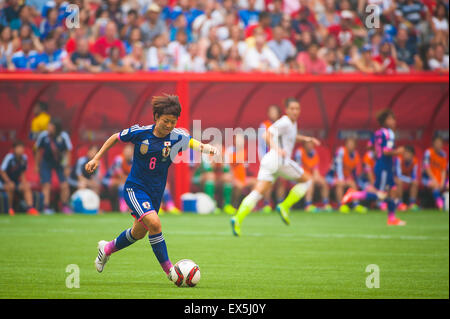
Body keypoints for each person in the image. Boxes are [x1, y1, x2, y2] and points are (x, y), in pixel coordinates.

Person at [86, 94, 218, 281]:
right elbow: (116, 137)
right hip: (135, 189)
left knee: (138, 233)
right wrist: (96, 158)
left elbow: (190, 142)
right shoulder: (141, 132)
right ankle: (171, 272)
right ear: (156, 117)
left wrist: (206, 148)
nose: (169, 125)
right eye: (165, 121)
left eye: (173, 122)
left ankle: (106, 248)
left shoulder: (176, 136)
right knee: (155, 224)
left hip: (155, 193)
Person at [230, 97, 320, 236]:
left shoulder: (291, 123)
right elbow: (267, 134)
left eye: (297, 108)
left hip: (270, 161)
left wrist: (306, 139)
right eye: (292, 109)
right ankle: (284, 206)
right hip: (279, 160)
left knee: (258, 192)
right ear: (286, 110)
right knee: (308, 180)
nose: (295, 111)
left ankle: (237, 219)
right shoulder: (284, 121)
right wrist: (277, 148)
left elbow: (292, 136)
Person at [341, 109, 407, 226]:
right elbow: (386, 151)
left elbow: (369, 146)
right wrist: (398, 151)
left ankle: (392, 219)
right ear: (385, 121)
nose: (394, 121)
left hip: (383, 165)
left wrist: (378, 153)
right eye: (391, 119)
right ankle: (354, 195)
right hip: (384, 167)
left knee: (393, 191)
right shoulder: (389, 133)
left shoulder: (377, 133)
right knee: (381, 194)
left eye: (394, 119)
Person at [35, 117, 72, 214]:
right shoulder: (43, 136)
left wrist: (67, 166)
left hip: (59, 163)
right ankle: (46, 207)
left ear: (56, 127)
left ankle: (64, 206)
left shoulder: (64, 136)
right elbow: (38, 151)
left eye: (50, 126)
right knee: (46, 185)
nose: (48, 127)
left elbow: (68, 152)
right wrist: (37, 165)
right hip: (46, 162)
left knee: (64, 185)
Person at [327, 137, 366, 214]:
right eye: (349, 143)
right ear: (345, 144)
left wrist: (352, 179)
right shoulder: (341, 151)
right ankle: (341, 205)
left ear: (355, 145)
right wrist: (341, 179)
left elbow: (355, 171)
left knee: (353, 184)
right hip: (331, 177)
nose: (350, 145)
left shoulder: (355, 154)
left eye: (352, 144)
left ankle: (356, 205)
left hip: (345, 178)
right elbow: (338, 166)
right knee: (340, 184)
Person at [0, 140, 39, 216]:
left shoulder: (24, 158)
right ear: (14, 149)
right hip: (4, 182)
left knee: (26, 186)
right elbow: (2, 171)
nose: (20, 150)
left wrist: (24, 182)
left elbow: (22, 172)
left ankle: (30, 208)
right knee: (11, 186)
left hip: (15, 182)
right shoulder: (9, 157)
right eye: (18, 148)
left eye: (22, 148)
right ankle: (9, 208)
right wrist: (8, 181)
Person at [295, 140, 331, 212]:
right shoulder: (299, 152)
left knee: (323, 182)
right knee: (310, 182)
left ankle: (325, 204)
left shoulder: (314, 153)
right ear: (304, 144)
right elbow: (298, 169)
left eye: (311, 144)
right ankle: (308, 205)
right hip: (299, 175)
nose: (310, 146)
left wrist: (317, 177)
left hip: (310, 175)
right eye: (308, 144)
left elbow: (316, 169)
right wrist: (311, 178)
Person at [101, 143, 134, 213]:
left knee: (125, 186)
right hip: (108, 179)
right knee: (122, 187)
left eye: (130, 151)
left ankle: (130, 207)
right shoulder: (119, 160)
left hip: (124, 181)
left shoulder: (133, 161)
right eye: (127, 151)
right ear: (124, 151)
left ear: (132, 152)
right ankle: (123, 207)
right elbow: (120, 175)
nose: (128, 153)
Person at [422, 136, 448, 210]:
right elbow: (426, 167)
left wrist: (442, 182)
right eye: (437, 143)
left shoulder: (443, 155)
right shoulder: (428, 152)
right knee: (435, 185)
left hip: (439, 179)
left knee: (447, 185)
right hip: (427, 178)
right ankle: (440, 204)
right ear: (433, 143)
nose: (438, 145)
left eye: (440, 143)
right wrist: (434, 179)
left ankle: (443, 200)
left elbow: (443, 170)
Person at [395, 145, 419, 211]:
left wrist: (411, 180)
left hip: (407, 178)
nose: (406, 155)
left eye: (408, 153)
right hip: (396, 178)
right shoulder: (399, 159)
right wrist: (410, 180)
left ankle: (412, 204)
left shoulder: (415, 161)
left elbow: (414, 175)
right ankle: (400, 203)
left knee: (415, 182)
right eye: (405, 153)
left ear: (412, 155)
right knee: (399, 181)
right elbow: (398, 175)